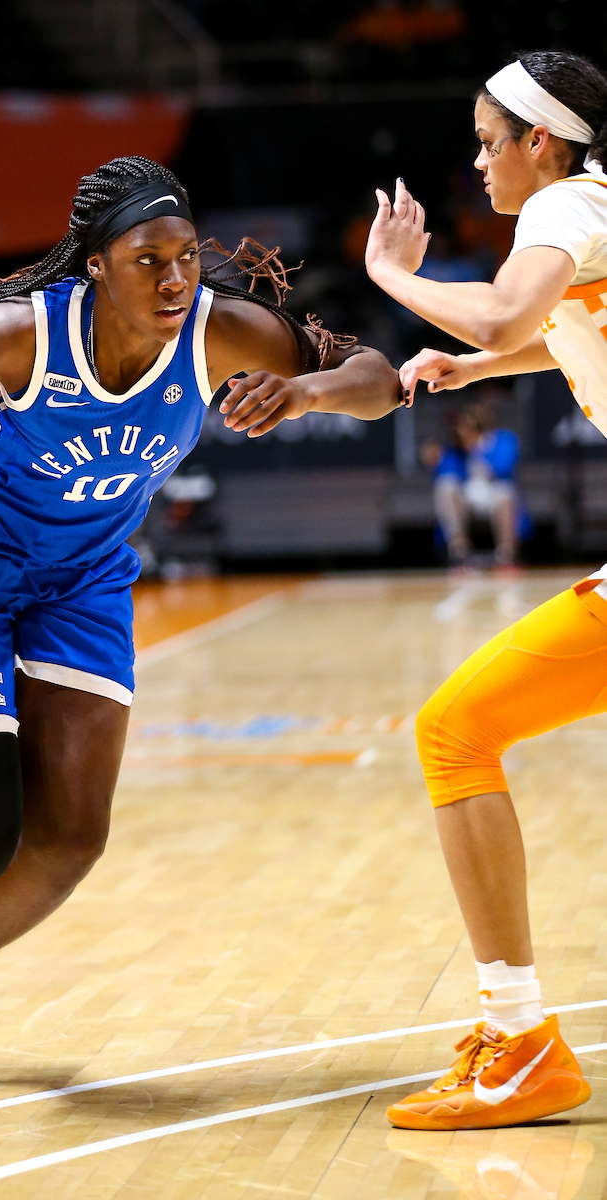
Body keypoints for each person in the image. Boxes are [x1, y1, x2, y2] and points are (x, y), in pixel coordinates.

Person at [0, 156, 401, 1088]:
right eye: (146, 261)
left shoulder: (220, 331)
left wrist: (309, 392)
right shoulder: (15, 339)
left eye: (184, 257)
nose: (173, 280)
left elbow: (380, 377)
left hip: (83, 584)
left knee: (71, 842)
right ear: (94, 264)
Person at [365, 51, 607, 1128]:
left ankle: (517, 1044)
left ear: (539, 143)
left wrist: (391, 279)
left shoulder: (566, 201)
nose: (477, 161)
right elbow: (549, 330)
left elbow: (509, 309)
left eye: (485, 140)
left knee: (456, 732)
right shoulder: (589, 212)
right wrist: (473, 368)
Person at [423, 400, 520, 565]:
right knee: (445, 487)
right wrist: (435, 458)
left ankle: (506, 552)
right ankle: (459, 549)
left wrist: (478, 451)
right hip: (467, 494)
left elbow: (505, 466)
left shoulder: (502, 439)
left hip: (492, 492)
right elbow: (445, 472)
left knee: (506, 492)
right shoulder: (457, 445)